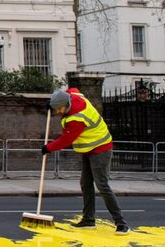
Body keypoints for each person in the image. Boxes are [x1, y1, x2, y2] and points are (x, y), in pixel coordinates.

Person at [42, 88, 130, 235]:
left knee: (102, 185)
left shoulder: (76, 119)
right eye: (55, 109)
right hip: (88, 149)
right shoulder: (74, 96)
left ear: (66, 104)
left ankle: (121, 223)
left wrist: (48, 148)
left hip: (101, 149)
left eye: (59, 108)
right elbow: (72, 89)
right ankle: (88, 220)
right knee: (85, 183)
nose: (58, 112)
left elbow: (65, 140)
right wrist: (51, 102)